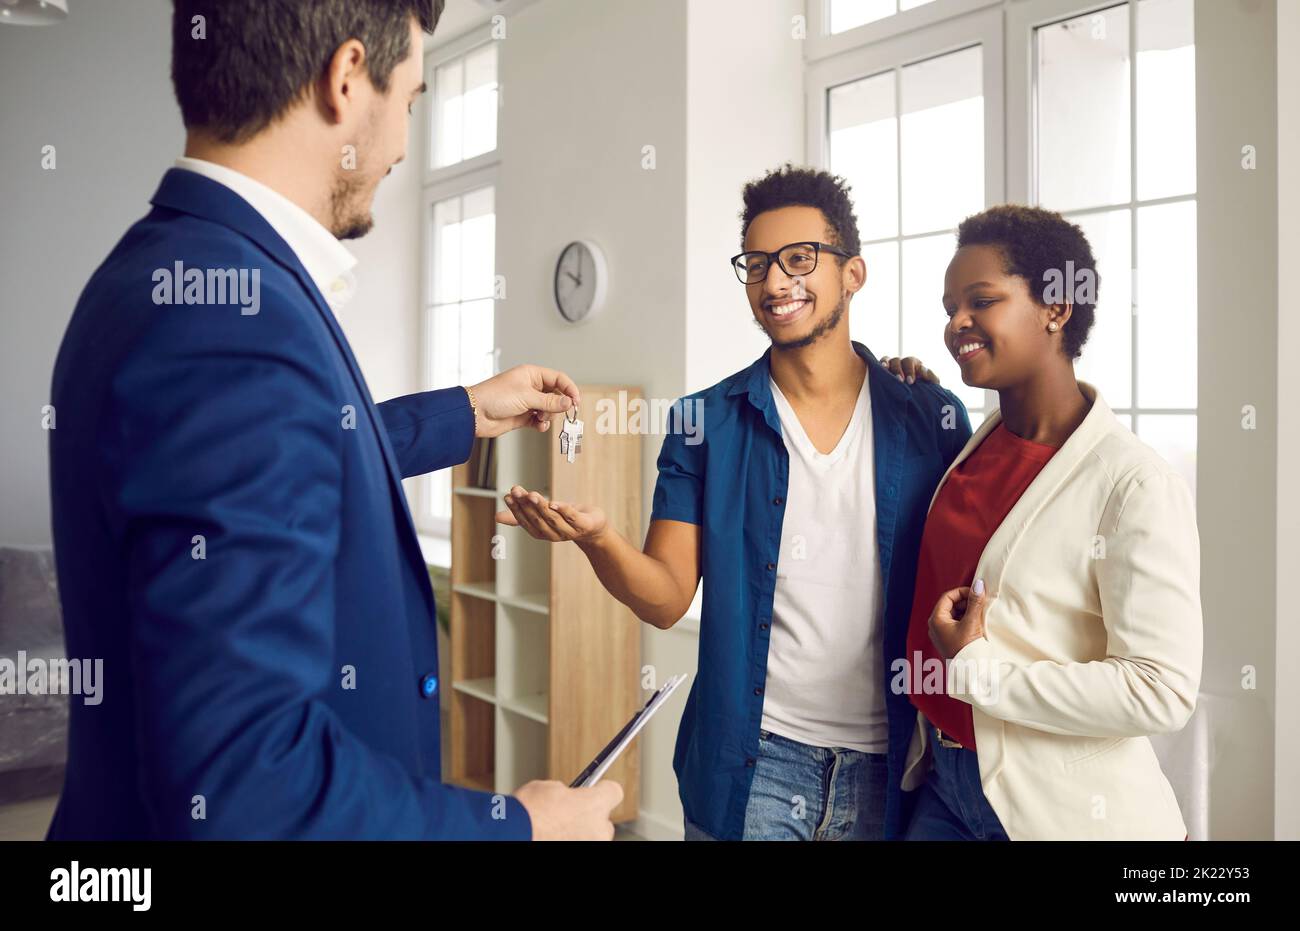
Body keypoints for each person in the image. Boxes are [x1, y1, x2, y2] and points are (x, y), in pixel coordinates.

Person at [45, 0, 620, 840]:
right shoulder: (234, 324)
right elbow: (250, 787)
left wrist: (462, 413)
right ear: (346, 77)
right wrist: (521, 827)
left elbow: (292, 462)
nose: (400, 146)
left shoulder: (177, 271)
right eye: (414, 101)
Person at [498, 165, 967, 840]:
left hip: (888, 771)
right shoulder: (704, 421)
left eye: (799, 259)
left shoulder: (928, 418)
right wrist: (597, 538)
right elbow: (664, 598)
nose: (774, 282)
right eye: (757, 263)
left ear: (853, 274)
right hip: (753, 769)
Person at [901, 205, 1202, 841]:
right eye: (951, 306)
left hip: (1064, 815)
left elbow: (1162, 690)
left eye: (981, 301)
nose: (957, 324)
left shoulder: (1133, 482)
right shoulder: (969, 447)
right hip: (944, 786)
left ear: (1057, 308)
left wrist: (981, 669)